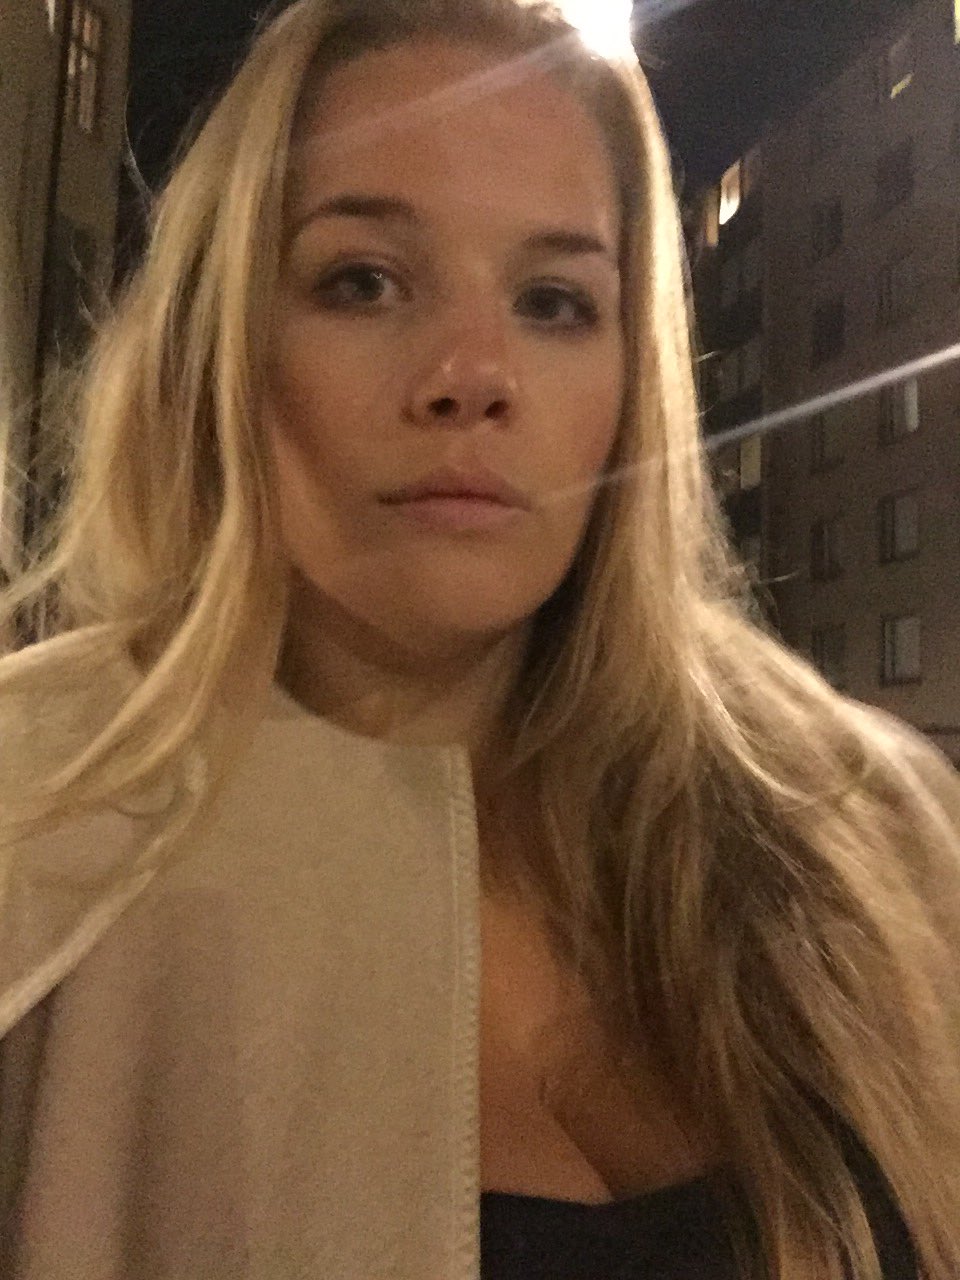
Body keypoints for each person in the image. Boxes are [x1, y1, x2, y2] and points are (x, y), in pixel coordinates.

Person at [0, 0, 958, 1276]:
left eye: (554, 301)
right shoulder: (36, 825)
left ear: (634, 379)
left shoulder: (870, 831)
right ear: (217, 341)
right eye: (363, 281)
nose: (471, 374)